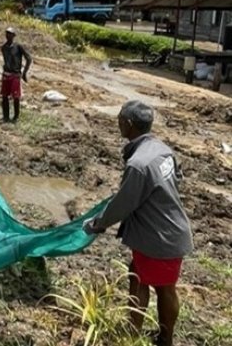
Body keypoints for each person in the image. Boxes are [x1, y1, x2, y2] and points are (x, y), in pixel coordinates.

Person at [83, 101, 193, 346]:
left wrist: (98, 223)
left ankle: (161, 338)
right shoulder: (162, 149)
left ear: (129, 125)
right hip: (164, 230)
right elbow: (177, 179)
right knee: (137, 275)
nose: (118, 123)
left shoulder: (139, 164)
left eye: (120, 120)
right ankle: (136, 330)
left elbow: (123, 204)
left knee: (163, 288)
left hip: (160, 237)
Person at [0, 26, 32, 122]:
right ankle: (6, 117)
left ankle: (16, 117)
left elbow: (29, 58)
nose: (8, 35)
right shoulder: (4, 48)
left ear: (14, 35)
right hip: (6, 74)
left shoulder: (18, 47)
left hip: (15, 74)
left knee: (16, 96)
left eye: (10, 34)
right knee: (4, 96)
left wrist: (24, 72)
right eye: (7, 33)